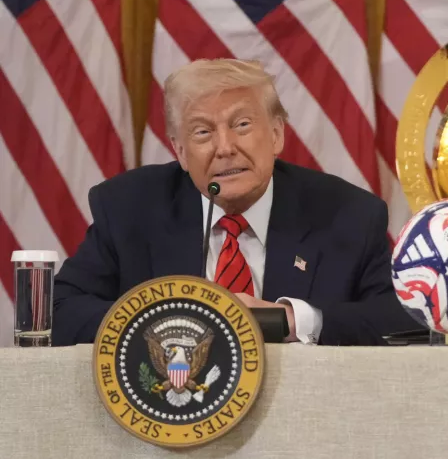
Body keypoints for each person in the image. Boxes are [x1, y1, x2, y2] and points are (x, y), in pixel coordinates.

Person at [53, 59, 416, 346]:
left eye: (242, 125)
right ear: (180, 151)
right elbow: (60, 312)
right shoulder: (130, 208)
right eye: (202, 132)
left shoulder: (347, 215)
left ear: (276, 135)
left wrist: (293, 321)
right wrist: (167, 322)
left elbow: (402, 319)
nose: (225, 148)